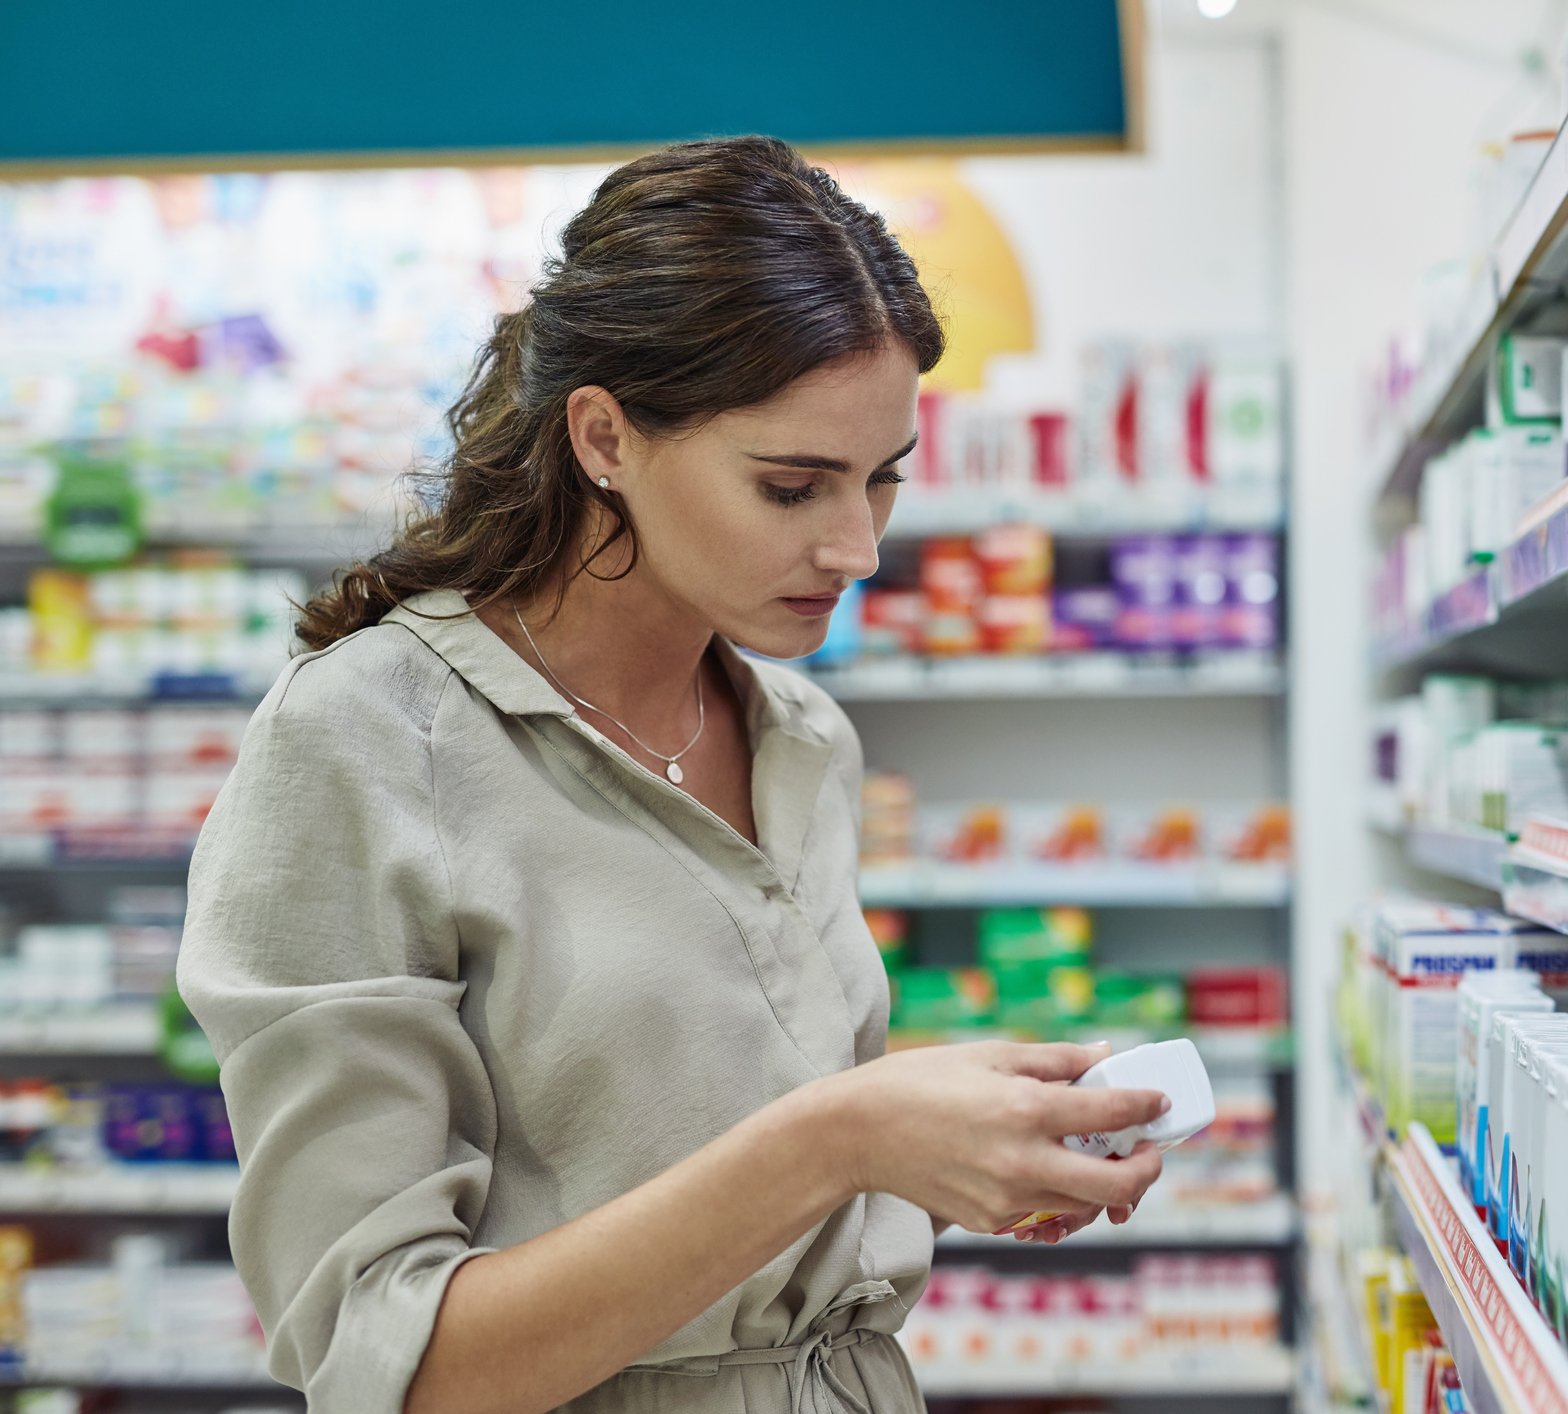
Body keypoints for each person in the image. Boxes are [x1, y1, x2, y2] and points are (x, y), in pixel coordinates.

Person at [176, 137, 1170, 1414]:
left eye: (883, 482)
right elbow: (393, 1366)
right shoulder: (370, 741)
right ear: (604, 435)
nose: (858, 547)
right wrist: (840, 1137)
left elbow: (700, 1172)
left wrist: (938, 1152)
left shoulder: (801, 734)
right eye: (793, 485)